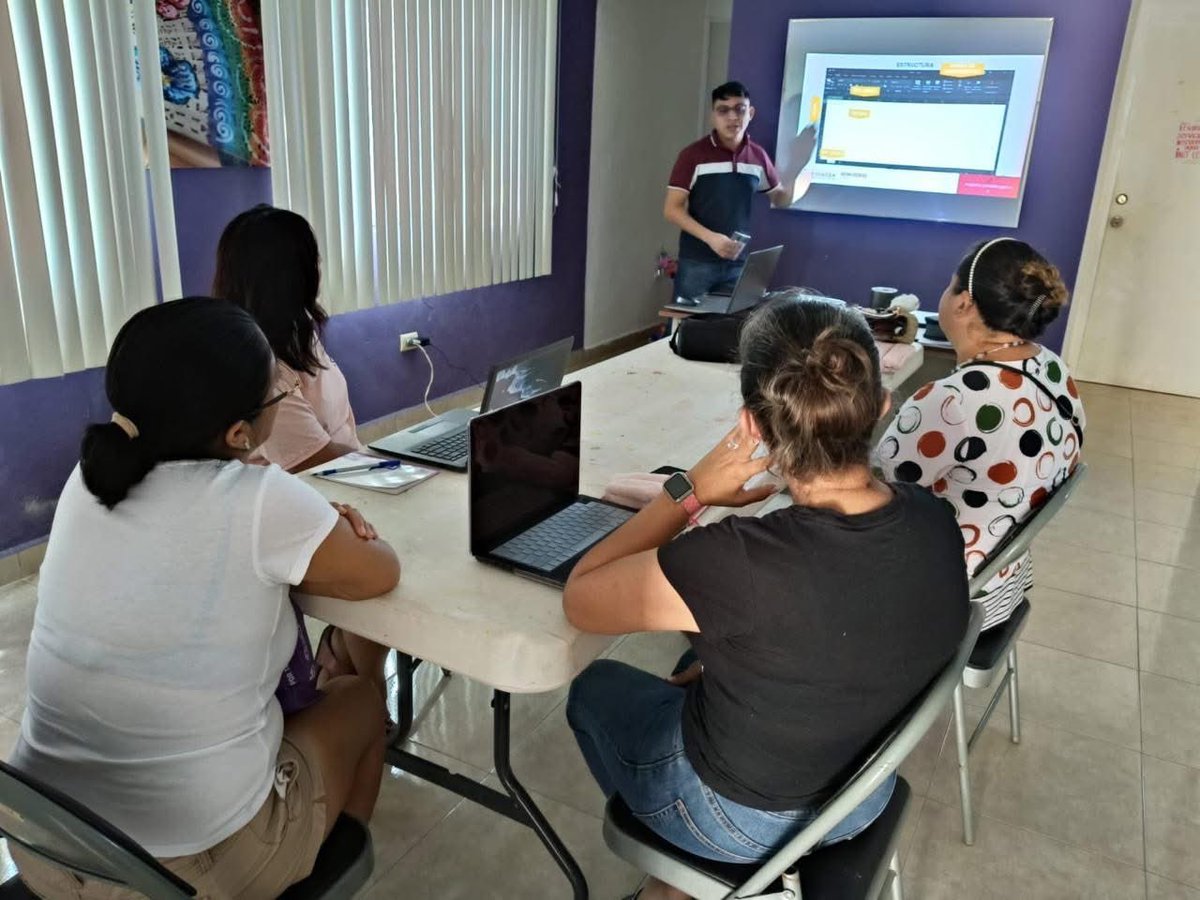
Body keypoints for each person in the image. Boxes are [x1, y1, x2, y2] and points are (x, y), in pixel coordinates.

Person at [563, 298, 969, 900]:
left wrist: (689, 489)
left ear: (752, 425)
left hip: (745, 820)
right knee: (694, 664)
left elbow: (582, 595)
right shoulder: (935, 520)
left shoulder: (737, 561)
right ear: (881, 407)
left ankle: (682, 875)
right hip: (862, 791)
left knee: (594, 690)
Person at [8, 298, 400, 899]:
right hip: (178, 877)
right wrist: (325, 524)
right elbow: (380, 573)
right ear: (240, 433)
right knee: (361, 701)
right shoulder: (260, 498)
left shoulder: (87, 478)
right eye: (276, 393)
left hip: (45, 844)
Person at [213, 204, 388, 695]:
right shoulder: (259, 369)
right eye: (312, 261)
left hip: (347, 479)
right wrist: (396, 467)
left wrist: (391, 461)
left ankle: (349, 656)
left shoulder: (299, 332)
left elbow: (336, 437)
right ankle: (365, 687)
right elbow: (314, 459)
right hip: (308, 499)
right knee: (378, 561)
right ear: (291, 275)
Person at [876, 238, 1086, 631]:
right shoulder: (1055, 370)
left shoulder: (950, 402)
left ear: (963, 302)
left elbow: (879, 502)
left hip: (944, 602)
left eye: (949, 283)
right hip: (1002, 584)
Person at [664, 81, 815, 302]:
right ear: (713, 116)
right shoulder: (692, 156)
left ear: (750, 113)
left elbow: (780, 199)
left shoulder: (758, 156)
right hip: (697, 262)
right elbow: (671, 209)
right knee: (687, 329)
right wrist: (711, 238)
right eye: (723, 111)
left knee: (734, 327)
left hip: (738, 263)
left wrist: (797, 164)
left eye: (739, 109)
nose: (732, 117)